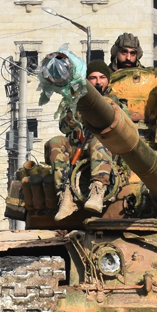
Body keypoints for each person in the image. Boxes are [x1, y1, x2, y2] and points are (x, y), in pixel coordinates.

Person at [45, 61, 117, 219]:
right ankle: (65, 195)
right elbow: (63, 126)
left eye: (102, 77)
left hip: (103, 148)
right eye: (93, 77)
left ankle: (98, 190)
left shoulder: (115, 102)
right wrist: (77, 113)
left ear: (108, 80)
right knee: (55, 142)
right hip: (76, 146)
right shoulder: (74, 100)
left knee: (100, 142)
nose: (98, 82)